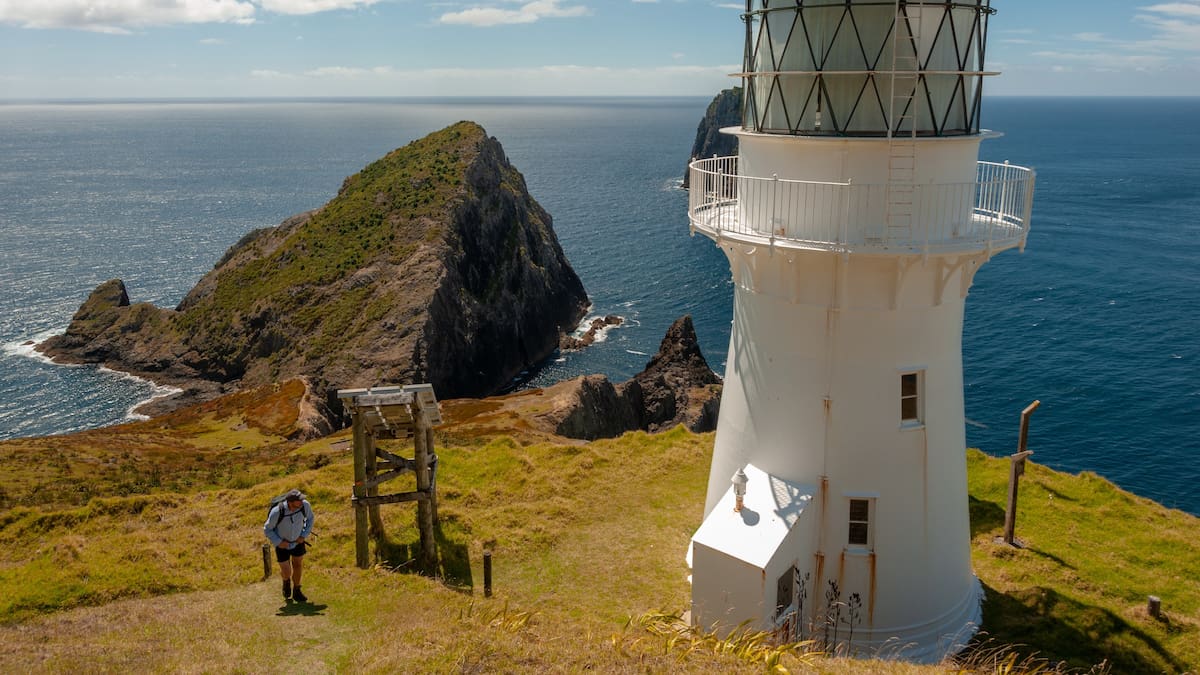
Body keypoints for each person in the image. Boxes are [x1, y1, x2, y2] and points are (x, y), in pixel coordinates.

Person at [264, 489, 314, 602]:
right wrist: (279, 542)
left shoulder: (305, 506)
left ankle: (297, 590)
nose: (302, 501)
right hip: (282, 545)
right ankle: (286, 581)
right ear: (291, 502)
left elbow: (310, 519)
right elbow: (267, 529)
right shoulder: (277, 512)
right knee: (287, 571)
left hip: (298, 542)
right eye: (299, 500)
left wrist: (303, 535)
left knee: (298, 565)